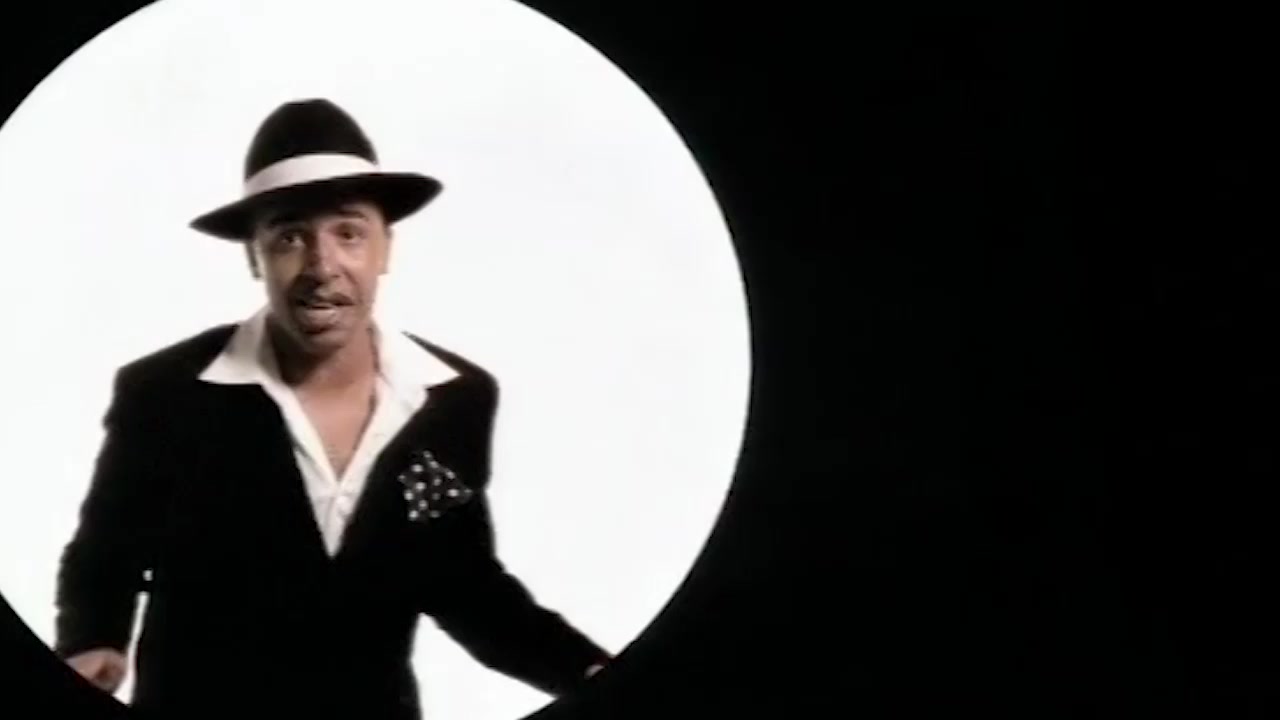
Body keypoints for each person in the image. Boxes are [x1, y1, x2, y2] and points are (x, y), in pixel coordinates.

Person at [52, 98, 610, 720]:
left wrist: (582, 667)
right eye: (289, 236)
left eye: (348, 233)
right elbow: (105, 552)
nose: (322, 267)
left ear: (385, 249)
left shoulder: (455, 397)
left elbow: (465, 583)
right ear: (254, 256)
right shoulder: (167, 392)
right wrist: (93, 640)